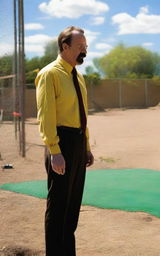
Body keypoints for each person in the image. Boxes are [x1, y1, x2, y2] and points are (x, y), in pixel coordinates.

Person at [35, 26, 94, 256]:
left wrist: (87, 147)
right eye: (80, 47)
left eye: (86, 47)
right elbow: (46, 115)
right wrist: (54, 150)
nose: (84, 51)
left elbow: (82, 115)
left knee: (72, 210)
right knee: (58, 207)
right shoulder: (50, 74)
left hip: (78, 144)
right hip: (61, 144)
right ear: (65, 46)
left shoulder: (78, 76)